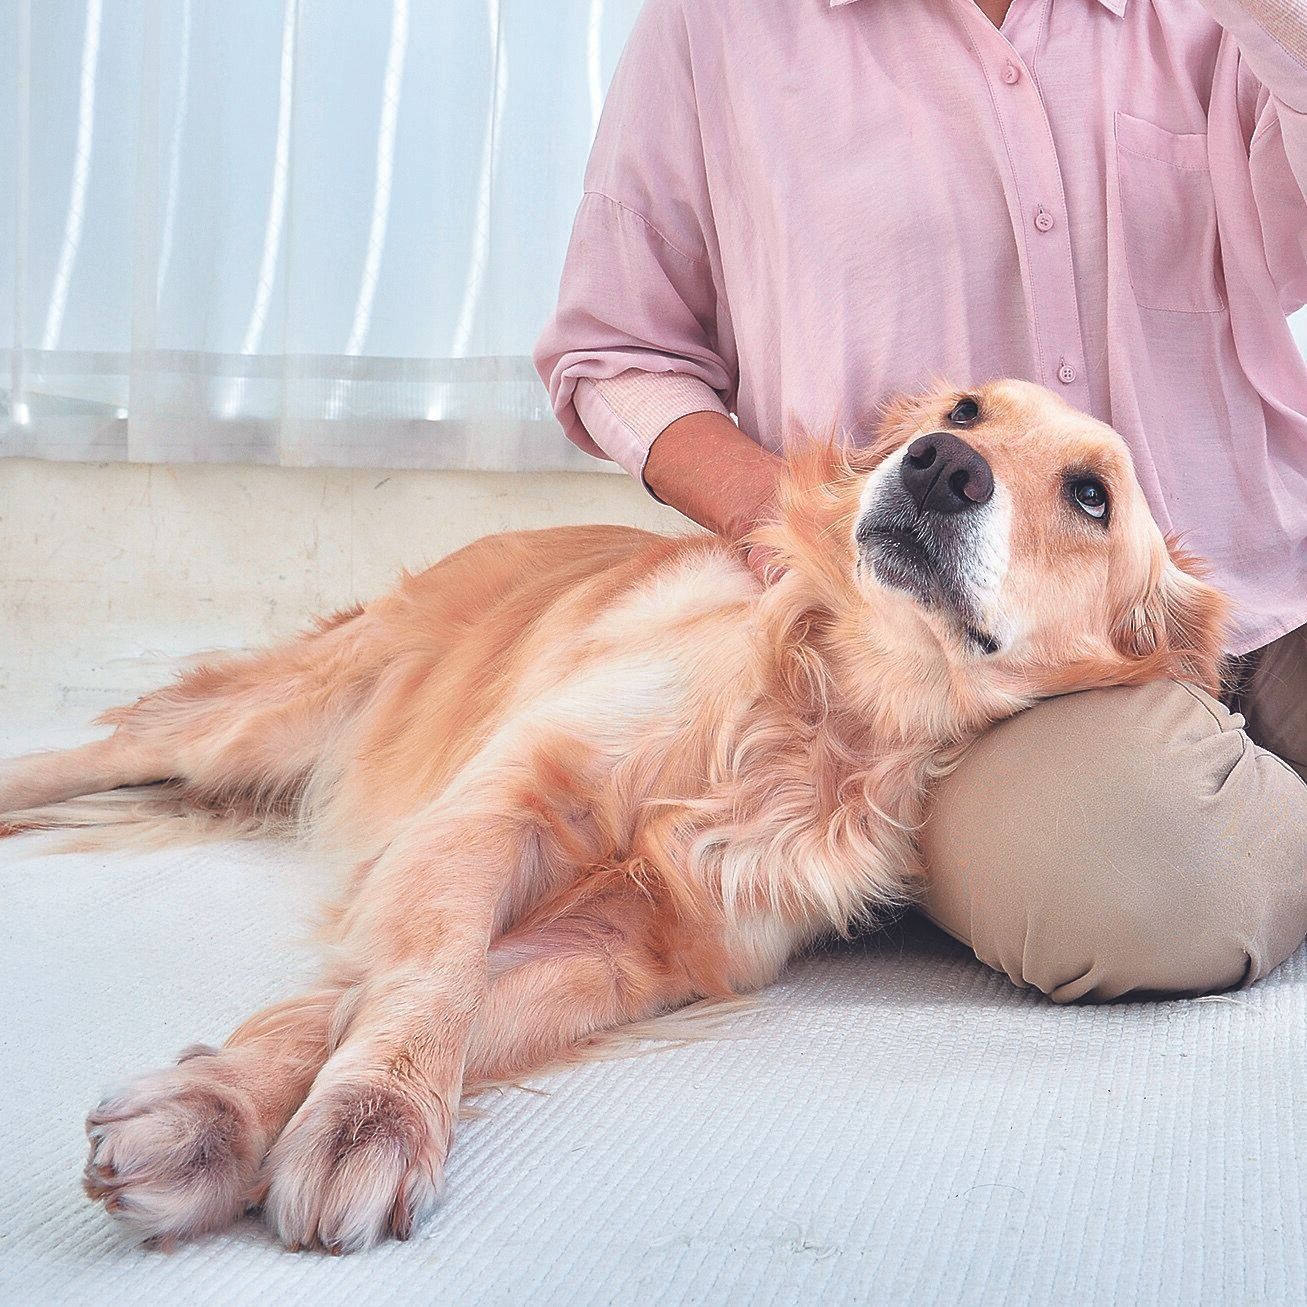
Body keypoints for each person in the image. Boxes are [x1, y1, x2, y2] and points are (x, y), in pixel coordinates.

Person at [534, 0, 1307, 1001]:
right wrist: (799, 522)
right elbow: (617, 353)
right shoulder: (715, 28)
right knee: (1172, 881)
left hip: (1261, 590)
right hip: (951, 683)